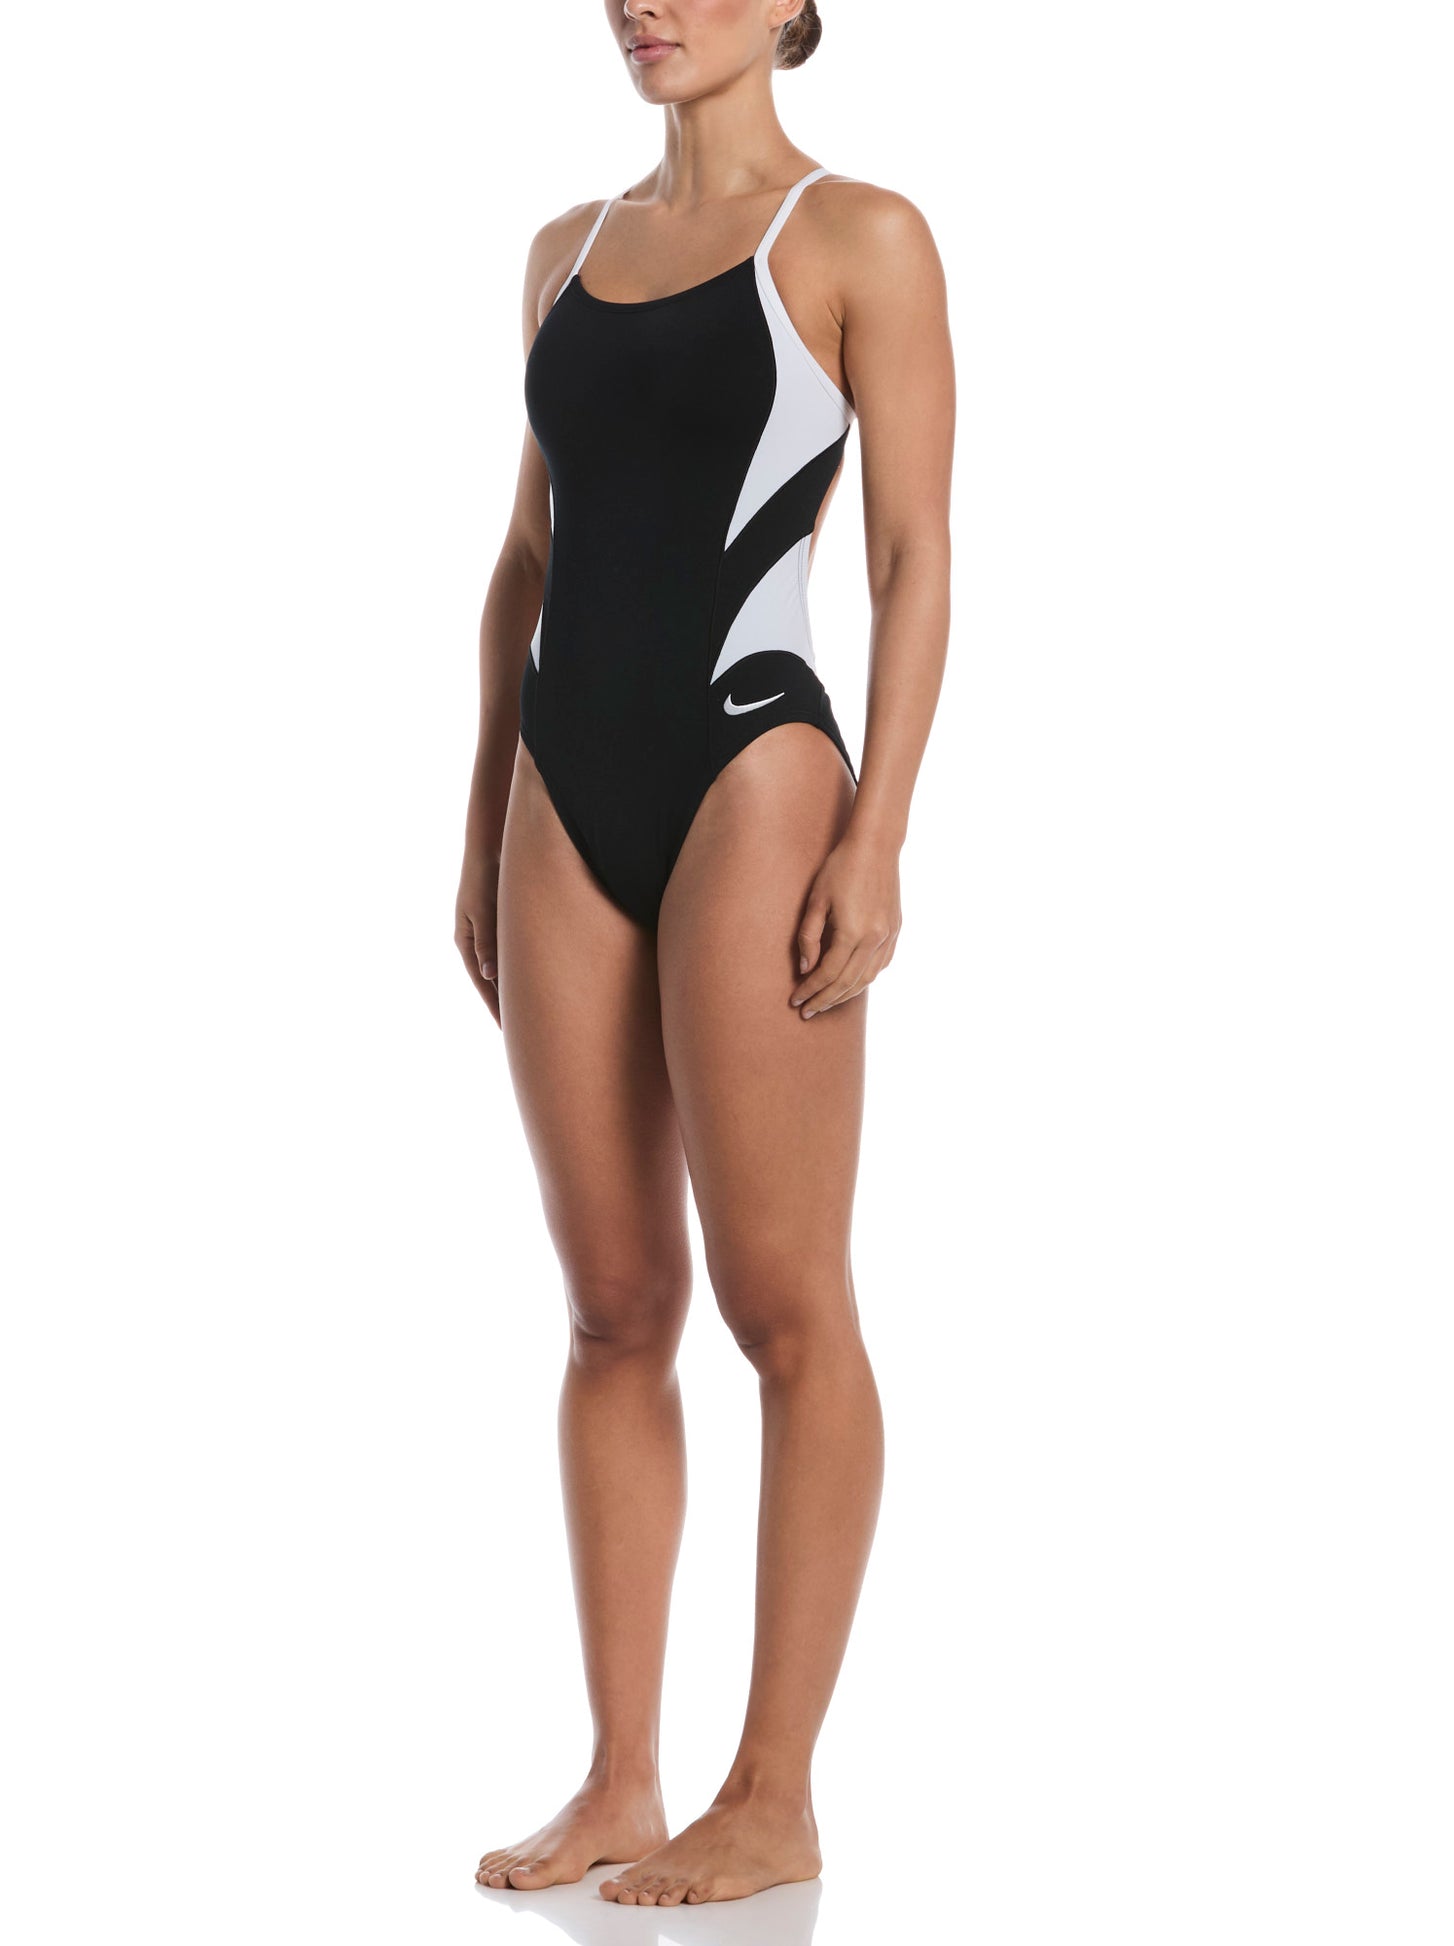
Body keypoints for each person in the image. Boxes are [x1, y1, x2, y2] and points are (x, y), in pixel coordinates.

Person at [454, 0, 955, 1910]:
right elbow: (527, 557)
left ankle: (774, 1789)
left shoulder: (858, 238)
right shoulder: (558, 254)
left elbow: (910, 556)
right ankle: (619, 1774)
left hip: (754, 767)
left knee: (783, 1304)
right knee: (609, 1309)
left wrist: (878, 833)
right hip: (560, 787)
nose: (641, 1)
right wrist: (478, 822)